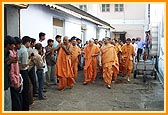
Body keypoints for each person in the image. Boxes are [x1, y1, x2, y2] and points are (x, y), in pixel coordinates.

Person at [18, 36, 32, 110]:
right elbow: (24, 65)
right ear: (27, 42)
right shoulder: (24, 51)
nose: (30, 44)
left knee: (21, 91)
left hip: (19, 71)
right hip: (23, 71)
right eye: (29, 42)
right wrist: (30, 61)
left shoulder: (19, 50)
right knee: (25, 90)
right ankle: (25, 108)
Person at [9, 37, 22, 111]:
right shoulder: (11, 54)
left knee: (18, 99)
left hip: (17, 79)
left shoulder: (15, 53)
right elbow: (11, 71)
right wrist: (15, 82)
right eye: (19, 44)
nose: (20, 46)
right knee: (16, 102)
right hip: (14, 82)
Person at [4, 36, 16, 111]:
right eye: (13, 44)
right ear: (8, 45)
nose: (14, 46)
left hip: (7, 82)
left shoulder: (8, 53)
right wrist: (9, 62)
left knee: (8, 104)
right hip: (4, 83)